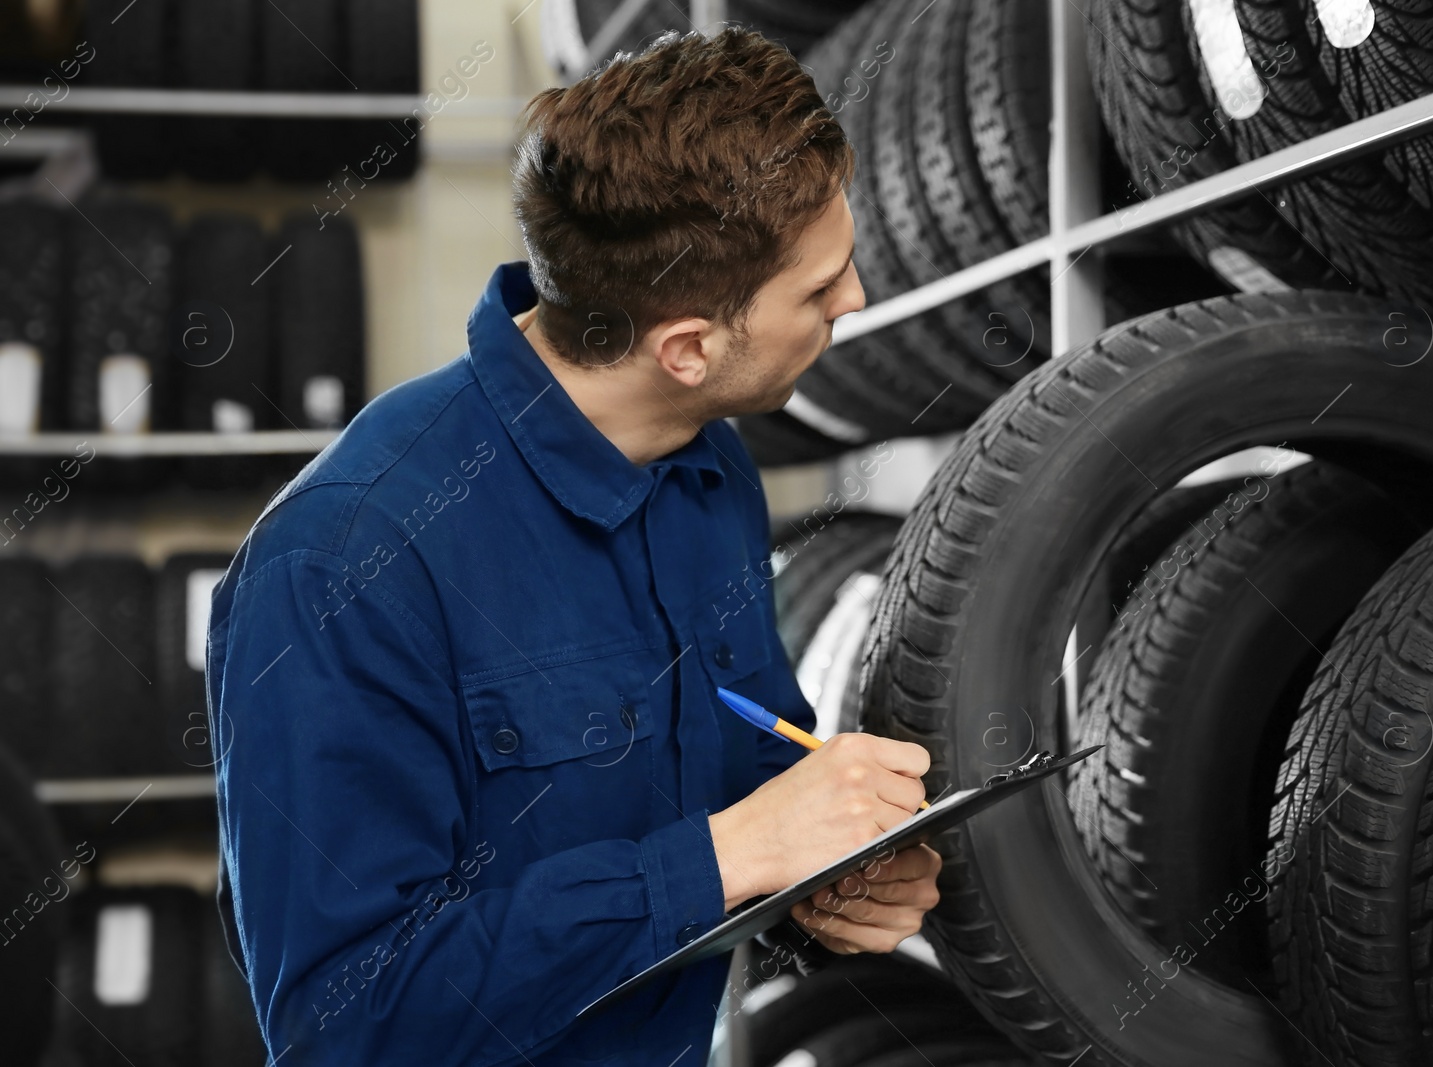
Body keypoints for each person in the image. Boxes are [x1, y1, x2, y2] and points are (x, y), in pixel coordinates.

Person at [205, 26, 941, 1067]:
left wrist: (821, 877)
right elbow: (344, 1027)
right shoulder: (340, 565)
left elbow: (745, 772)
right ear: (686, 348)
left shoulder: (704, 464)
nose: (854, 301)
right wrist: (730, 854)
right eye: (819, 291)